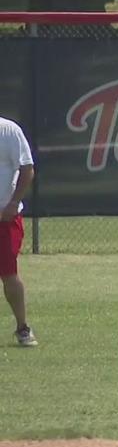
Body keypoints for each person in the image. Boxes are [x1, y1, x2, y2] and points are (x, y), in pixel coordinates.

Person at [0, 115, 36, 347]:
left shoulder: (8, 130)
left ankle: (22, 328)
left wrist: (13, 203)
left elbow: (27, 168)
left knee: (9, 274)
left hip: (5, 217)